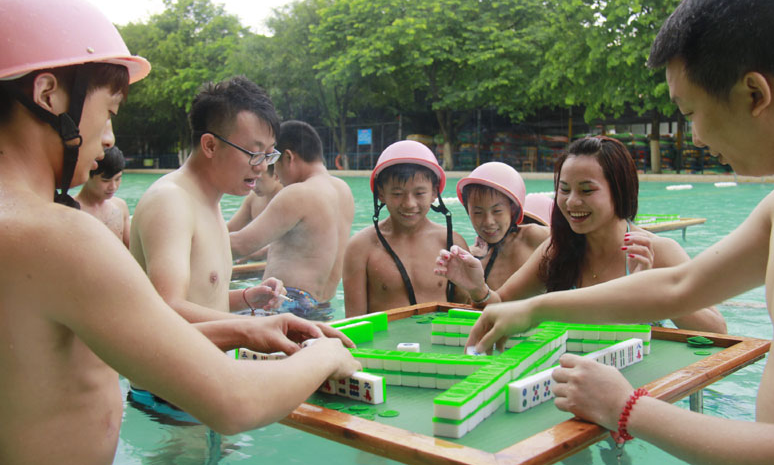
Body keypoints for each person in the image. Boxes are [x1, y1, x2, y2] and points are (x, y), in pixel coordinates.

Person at [0, 0, 358, 465]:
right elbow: (235, 401)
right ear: (48, 94)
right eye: (109, 112)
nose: (108, 139)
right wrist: (325, 358)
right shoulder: (58, 235)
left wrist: (251, 326)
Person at [455, 0, 774, 465]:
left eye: (688, 113)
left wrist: (626, 407)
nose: (696, 136)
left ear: (754, 95)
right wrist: (533, 308)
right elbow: (681, 285)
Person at [439, 136, 725, 332]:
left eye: (587, 190)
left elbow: (717, 330)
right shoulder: (557, 251)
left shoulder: (656, 250)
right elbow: (501, 306)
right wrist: (477, 287)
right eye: (564, 189)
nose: (572, 202)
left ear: (619, 190)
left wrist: (652, 288)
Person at [130, 76, 290, 325]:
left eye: (269, 155)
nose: (261, 167)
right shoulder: (170, 202)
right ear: (210, 145)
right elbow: (167, 310)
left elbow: (201, 300)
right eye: (255, 153)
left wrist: (247, 298)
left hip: (205, 358)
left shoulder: (207, 202)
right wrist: (254, 328)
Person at [229, 120, 355, 321]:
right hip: (321, 308)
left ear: (288, 157)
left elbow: (240, 245)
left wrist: (184, 238)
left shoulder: (298, 194)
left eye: (273, 163)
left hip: (287, 303)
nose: (275, 174)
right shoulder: (343, 191)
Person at [344, 140, 471, 315]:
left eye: (419, 193)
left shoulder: (451, 243)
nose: (409, 204)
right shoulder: (360, 247)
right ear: (381, 193)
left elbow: (463, 313)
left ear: (434, 193)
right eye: (397, 194)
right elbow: (354, 323)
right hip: (382, 344)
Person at [457, 162, 549, 291]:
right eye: (478, 213)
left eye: (497, 211)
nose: (488, 221)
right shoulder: (470, 257)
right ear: (468, 212)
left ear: (513, 210)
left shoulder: (534, 237)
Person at [76, 145, 131, 247]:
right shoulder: (72, 210)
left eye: (118, 179)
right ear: (87, 176)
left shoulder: (120, 206)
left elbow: (132, 249)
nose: (113, 186)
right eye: (105, 181)